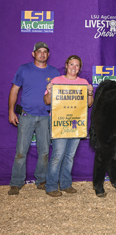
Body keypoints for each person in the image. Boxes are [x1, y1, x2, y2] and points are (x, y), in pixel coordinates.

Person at [8, 42, 60, 195]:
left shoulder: (54, 72)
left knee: (44, 151)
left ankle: (42, 180)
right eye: (39, 51)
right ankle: (16, 182)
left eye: (45, 51)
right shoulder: (24, 69)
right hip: (26, 115)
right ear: (33, 54)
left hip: (46, 117)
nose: (42, 54)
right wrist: (11, 111)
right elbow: (14, 90)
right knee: (21, 152)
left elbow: (59, 96)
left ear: (48, 54)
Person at [44, 55, 94, 197]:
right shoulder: (56, 81)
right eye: (71, 64)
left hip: (76, 123)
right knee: (57, 155)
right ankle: (51, 186)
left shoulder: (84, 82)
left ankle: (66, 184)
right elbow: (47, 101)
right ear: (66, 65)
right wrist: (49, 90)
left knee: (70, 156)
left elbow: (89, 103)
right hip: (59, 122)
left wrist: (90, 92)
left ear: (80, 68)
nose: (74, 67)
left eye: (77, 65)